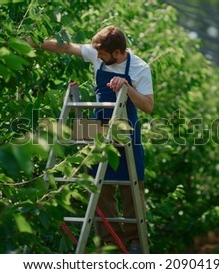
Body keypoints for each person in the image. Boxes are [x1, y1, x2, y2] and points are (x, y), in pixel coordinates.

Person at [26, 26, 154, 253]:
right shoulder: (98, 53)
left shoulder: (139, 68)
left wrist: (127, 87)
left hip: (126, 129)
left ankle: (135, 242)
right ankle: (110, 243)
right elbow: (64, 47)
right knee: (99, 187)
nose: (97, 57)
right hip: (98, 129)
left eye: (103, 54)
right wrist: (33, 42)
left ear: (117, 52)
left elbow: (148, 106)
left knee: (132, 190)